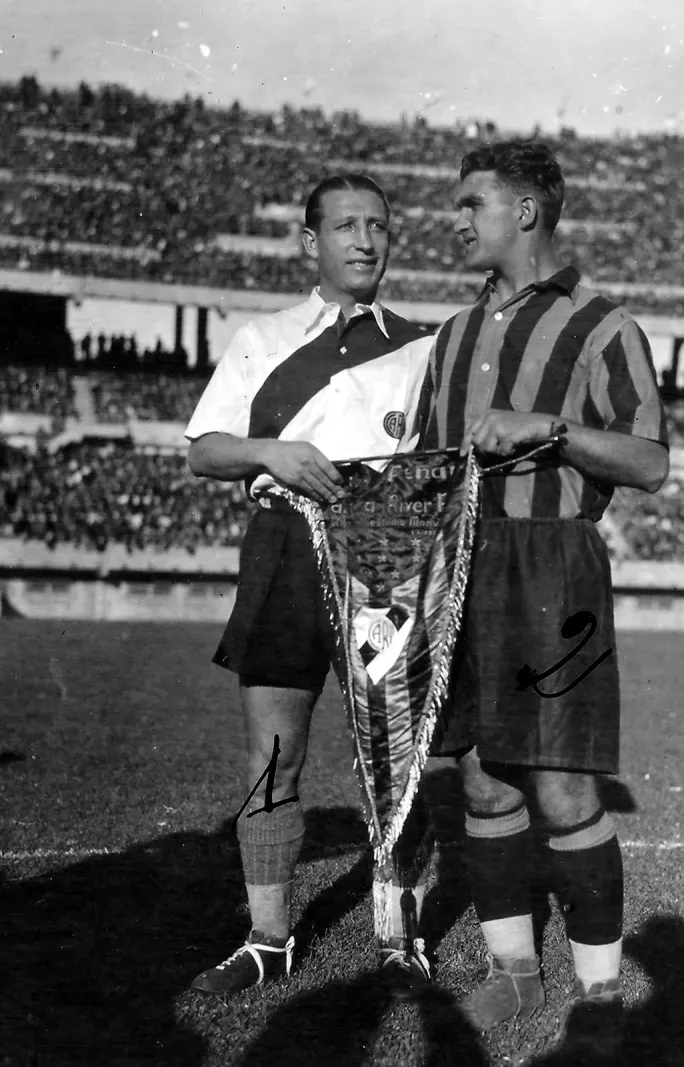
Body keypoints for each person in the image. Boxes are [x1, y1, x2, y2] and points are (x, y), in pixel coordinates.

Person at [417, 140, 669, 1058]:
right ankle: (515, 970)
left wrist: (554, 431)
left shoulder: (605, 327)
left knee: (562, 784)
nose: (457, 220)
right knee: (480, 775)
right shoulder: (449, 334)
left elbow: (649, 462)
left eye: (471, 203)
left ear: (526, 212)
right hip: (458, 563)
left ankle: (600, 990)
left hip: (552, 563)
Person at [184, 174, 436, 995]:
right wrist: (271, 453)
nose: (365, 240)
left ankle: (400, 935)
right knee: (272, 752)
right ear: (311, 242)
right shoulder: (264, 336)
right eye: (346, 226)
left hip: (385, 560)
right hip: (286, 549)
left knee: (398, 758)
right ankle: (268, 936)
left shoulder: (422, 344)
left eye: (378, 226)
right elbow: (204, 449)